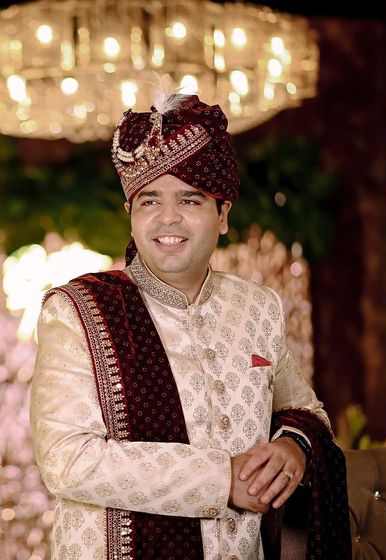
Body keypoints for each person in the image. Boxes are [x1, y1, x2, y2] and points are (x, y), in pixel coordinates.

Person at [30, 85, 350, 560]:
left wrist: (295, 449)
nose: (168, 219)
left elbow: (304, 409)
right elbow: (66, 460)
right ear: (131, 214)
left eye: (191, 200)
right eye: (150, 201)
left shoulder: (257, 308)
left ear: (223, 215)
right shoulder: (77, 310)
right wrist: (223, 482)